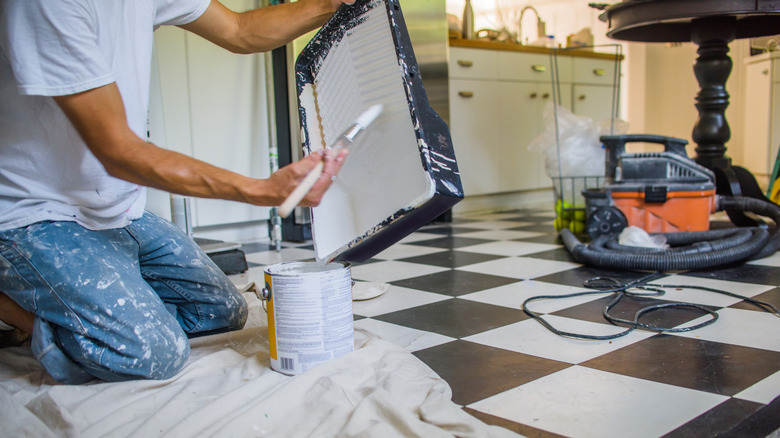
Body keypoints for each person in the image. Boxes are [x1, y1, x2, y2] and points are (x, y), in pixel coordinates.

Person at [0, 0, 355, 384]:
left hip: (111, 207)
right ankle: (17, 306)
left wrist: (334, 3)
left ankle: (92, 307)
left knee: (221, 312)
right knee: (152, 353)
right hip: (30, 215)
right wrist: (262, 189)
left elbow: (239, 30)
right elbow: (119, 151)